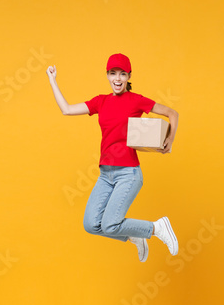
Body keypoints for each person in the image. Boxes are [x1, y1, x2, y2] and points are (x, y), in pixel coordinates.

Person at [46, 53, 179, 262]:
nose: (117, 78)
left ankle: (156, 227)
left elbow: (172, 114)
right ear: (107, 75)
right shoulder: (101, 102)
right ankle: (134, 236)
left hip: (128, 173)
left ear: (128, 77)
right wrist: (53, 80)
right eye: (113, 73)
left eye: (122, 74)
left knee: (109, 224)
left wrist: (169, 141)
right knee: (91, 224)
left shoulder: (137, 101)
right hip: (105, 174)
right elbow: (67, 110)